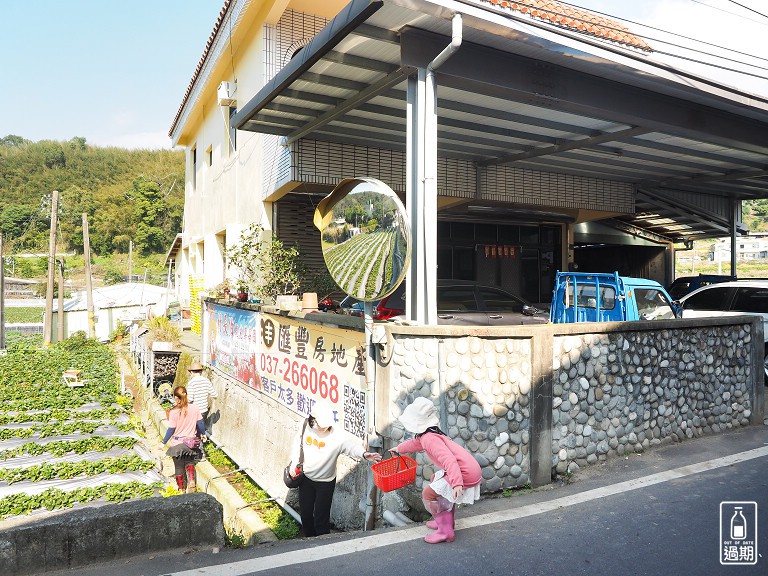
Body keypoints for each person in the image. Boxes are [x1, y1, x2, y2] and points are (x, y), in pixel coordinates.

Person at [392, 397, 482, 544]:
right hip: (466, 468)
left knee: (428, 494)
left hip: (464, 472)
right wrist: (399, 449)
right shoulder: (429, 435)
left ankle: (445, 531)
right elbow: (415, 444)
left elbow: (449, 460)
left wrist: (456, 483)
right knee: (436, 481)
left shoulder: (429, 439)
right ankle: (445, 523)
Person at [287, 401, 381, 537]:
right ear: (313, 419)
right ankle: (308, 543)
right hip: (306, 478)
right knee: (306, 515)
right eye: (321, 425)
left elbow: (350, 447)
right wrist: (293, 463)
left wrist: (364, 454)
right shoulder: (305, 425)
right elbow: (297, 445)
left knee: (321, 519)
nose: (324, 428)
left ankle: (324, 546)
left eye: (327, 426)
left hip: (326, 482)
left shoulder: (337, 435)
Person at [163, 386, 206, 493]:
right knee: (190, 462)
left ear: (176, 398)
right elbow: (200, 423)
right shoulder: (194, 408)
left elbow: (171, 430)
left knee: (178, 467)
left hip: (177, 444)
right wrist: (203, 434)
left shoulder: (174, 412)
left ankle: (181, 489)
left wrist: (163, 442)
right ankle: (192, 483)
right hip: (191, 443)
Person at [186, 362, 218, 430]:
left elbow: (190, 399)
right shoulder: (206, 381)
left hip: (194, 411)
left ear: (191, 372)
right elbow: (214, 395)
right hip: (203, 411)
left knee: (193, 430)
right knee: (201, 430)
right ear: (201, 371)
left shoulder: (191, 383)